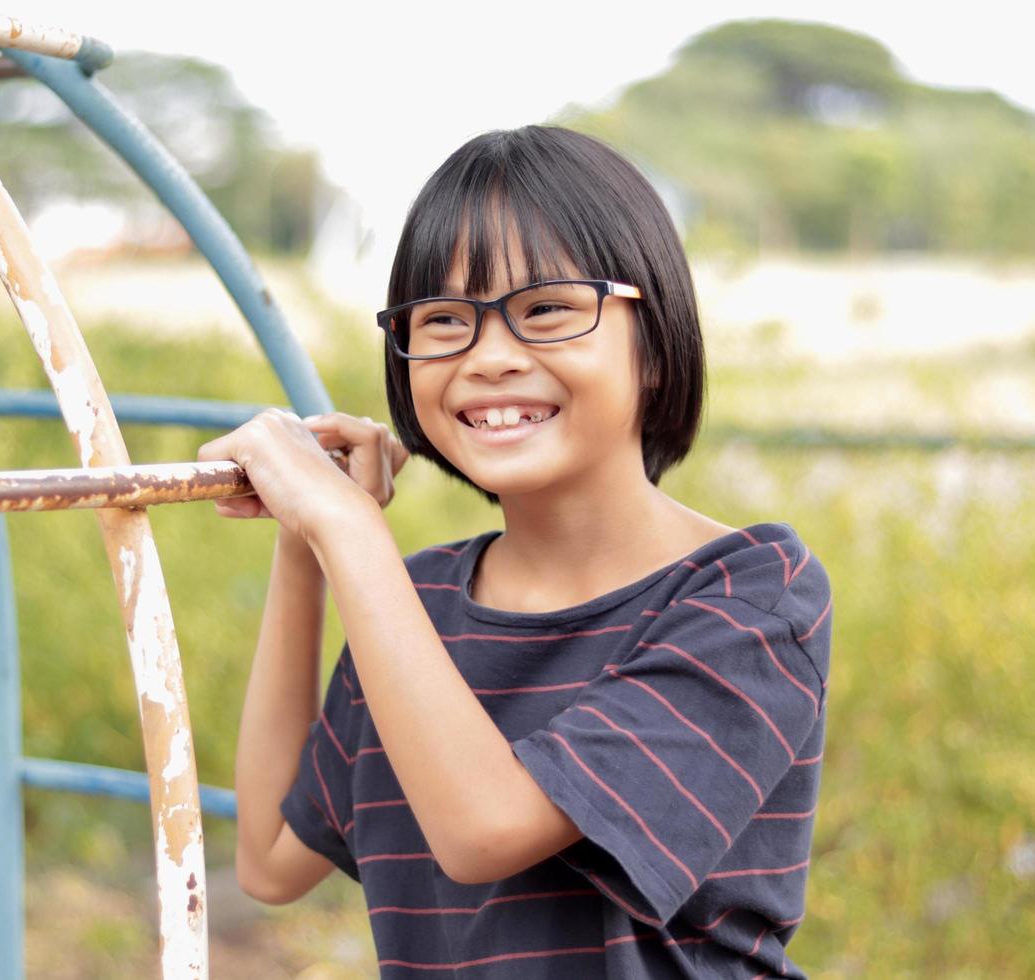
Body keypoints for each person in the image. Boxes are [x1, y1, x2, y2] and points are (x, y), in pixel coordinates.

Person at [197, 125, 833, 978]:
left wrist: (349, 530)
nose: (490, 357)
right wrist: (305, 541)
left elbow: (486, 829)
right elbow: (271, 858)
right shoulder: (411, 605)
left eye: (546, 309)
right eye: (445, 322)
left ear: (654, 340)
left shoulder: (752, 596)